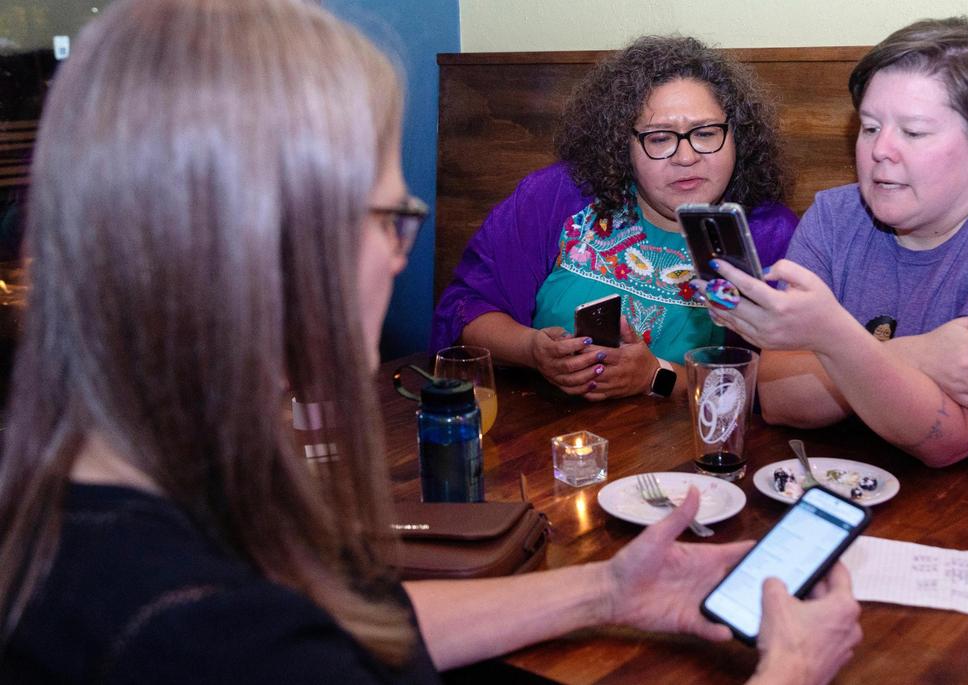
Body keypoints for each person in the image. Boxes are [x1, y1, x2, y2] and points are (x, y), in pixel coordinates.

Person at [0, 1, 862, 683]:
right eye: (387, 217)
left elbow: (336, 623)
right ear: (258, 240)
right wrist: (789, 668)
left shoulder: (101, 502)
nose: (398, 253)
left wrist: (606, 588)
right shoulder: (191, 624)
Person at [703, 17, 968, 481]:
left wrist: (832, 338)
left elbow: (945, 439)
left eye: (913, 132)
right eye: (870, 128)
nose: (881, 151)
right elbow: (780, 399)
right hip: (888, 483)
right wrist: (915, 354)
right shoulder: (835, 216)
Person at [430, 35, 796, 401]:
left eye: (705, 133)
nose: (685, 157)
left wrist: (657, 375)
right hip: (541, 434)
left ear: (737, 136)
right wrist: (532, 350)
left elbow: (775, 393)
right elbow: (467, 308)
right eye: (658, 138)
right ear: (622, 144)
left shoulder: (770, 236)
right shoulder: (558, 195)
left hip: (685, 448)